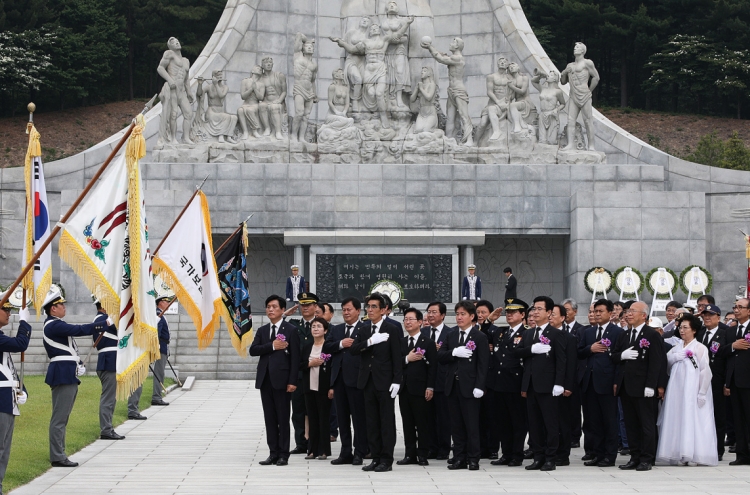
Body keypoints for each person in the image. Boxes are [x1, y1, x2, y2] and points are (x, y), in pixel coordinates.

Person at [43, 285, 107, 467]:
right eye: (61, 305)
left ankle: (60, 452)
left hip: (66, 371)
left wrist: (76, 363)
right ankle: (57, 455)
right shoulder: (54, 324)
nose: (64, 307)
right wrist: (105, 323)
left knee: (63, 416)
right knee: (59, 417)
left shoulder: (56, 324)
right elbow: (79, 330)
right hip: (62, 372)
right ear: (53, 308)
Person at [656, 314, 718, 466]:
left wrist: (702, 392)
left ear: (694, 330)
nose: (682, 331)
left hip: (693, 389)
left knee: (693, 418)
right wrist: (675, 357)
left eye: (685, 328)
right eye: (680, 327)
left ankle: (693, 454)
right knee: (678, 417)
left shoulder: (699, 348)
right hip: (677, 389)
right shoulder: (676, 348)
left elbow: (705, 371)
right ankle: (677, 451)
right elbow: (666, 365)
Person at [350, 293, 402, 472]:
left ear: (383, 309)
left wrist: (397, 380)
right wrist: (370, 341)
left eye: (373, 307)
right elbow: (354, 350)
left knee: (386, 422)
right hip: (367, 381)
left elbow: (397, 356)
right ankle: (375, 456)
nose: (370, 310)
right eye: (368, 306)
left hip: (385, 382)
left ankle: (386, 459)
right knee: (371, 422)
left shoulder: (392, 328)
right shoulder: (364, 329)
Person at [612, 301, 666, 471]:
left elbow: (657, 362)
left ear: (644, 315)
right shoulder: (624, 335)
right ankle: (634, 456)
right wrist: (622, 355)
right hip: (626, 386)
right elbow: (613, 356)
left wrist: (652, 385)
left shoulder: (651, 335)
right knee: (631, 424)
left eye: (632, 311)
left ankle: (647, 458)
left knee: (646, 424)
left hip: (643, 387)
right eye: (627, 311)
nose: (628, 314)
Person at [516, 296, 566, 471]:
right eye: (533, 309)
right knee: (534, 424)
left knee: (550, 424)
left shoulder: (556, 334)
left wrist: (559, 383)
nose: (534, 312)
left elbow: (562, 361)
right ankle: (538, 456)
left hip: (549, 386)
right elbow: (518, 352)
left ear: (549, 312)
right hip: (531, 386)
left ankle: (551, 458)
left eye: (539, 309)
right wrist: (531, 350)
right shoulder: (529, 333)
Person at [249, 295, 300, 466]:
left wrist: (293, 381)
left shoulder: (291, 330)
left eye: (274, 307)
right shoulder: (263, 330)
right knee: (270, 419)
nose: (270, 309)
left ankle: (284, 454)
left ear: (282, 310)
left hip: (283, 381)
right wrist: (272, 345)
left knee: (283, 418)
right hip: (265, 380)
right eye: (268, 307)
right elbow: (253, 350)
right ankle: (273, 453)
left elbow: (295, 358)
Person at [438, 301, 489, 470]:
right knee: (457, 425)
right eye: (457, 314)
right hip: (453, 386)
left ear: (472, 316)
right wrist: (453, 352)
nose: (459, 317)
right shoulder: (451, 335)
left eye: (463, 314)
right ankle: (459, 457)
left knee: (471, 425)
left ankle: (473, 457)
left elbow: (483, 364)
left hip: (470, 386)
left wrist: (480, 386)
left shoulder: (480, 337)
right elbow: (441, 355)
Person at [578, 299, 624, 466]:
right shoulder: (588, 332)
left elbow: (620, 360)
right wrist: (590, 349)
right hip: (589, 382)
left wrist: (616, 382)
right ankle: (597, 454)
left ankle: (609, 456)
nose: (597, 314)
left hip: (607, 382)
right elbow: (579, 352)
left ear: (611, 313)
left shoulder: (618, 332)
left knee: (609, 421)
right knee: (593, 421)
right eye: (595, 311)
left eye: (600, 311)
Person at [324, 297, 369, 465]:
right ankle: (345, 452)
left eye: (349, 309)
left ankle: (359, 452)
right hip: (339, 379)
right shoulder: (336, 330)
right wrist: (341, 344)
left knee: (359, 418)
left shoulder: (365, 329)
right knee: (342, 419)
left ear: (358, 311)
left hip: (357, 379)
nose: (346, 312)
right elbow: (326, 347)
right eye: (343, 309)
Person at [489, 299, 529, 466]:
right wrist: (490, 320)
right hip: (500, 384)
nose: (510, 315)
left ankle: (517, 455)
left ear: (522, 315)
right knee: (502, 422)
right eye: (508, 312)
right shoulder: (501, 333)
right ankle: (506, 454)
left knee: (517, 422)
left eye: (514, 312)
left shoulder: (527, 333)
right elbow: (480, 332)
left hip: (515, 384)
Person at [0, 291, 31, 493]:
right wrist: (24, 323)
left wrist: (21, 388)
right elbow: (21, 344)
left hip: (7, 400)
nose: (9, 313)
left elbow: (9, 367)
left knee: (4, 451)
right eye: (5, 310)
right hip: (0, 401)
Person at [397, 308, 436, 466]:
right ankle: (409, 454)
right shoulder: (401, 342)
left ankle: (423, 454)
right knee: (407, 423)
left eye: (411, 319)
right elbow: (395, 364)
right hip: (404, 388)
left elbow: (433, 367)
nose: (407, 322)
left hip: (421, 389)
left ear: (420, 322)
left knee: (422, 422)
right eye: (405, 319)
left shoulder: (428, 342)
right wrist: (407, 358)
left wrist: (430, 387)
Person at [421, 37, 474, 146]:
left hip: (459, 90)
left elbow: (440, 59)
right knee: (450, 117)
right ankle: (450, 140)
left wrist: (430, 47)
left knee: (464, 115)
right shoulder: (454, 57)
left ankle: (470, 140)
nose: (450, 44)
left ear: (457, 46)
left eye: (453, 42)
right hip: (451, 90)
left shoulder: (458, 58)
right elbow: (443, 56)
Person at [697, 304, 731, 460]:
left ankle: (718, 450)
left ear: (718, 317)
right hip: (700, 381)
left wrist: (727, 382)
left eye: (710, 315)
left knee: (718, 416)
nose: (707, 317)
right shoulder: (700, 333)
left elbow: (728, 359)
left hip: (717, 380)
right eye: (705, 315)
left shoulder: (725, 333)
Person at [287, 292, 318, 454]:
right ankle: (301, 443)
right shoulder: (293, 326)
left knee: (315, 410)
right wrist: (285, 314)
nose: (305, 308)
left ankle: (315, 442)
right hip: (298, 375)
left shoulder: (322, 326)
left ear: (315, 307)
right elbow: (279, 328)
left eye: (308, 305)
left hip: (316, 375)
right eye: (302, 305)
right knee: (298, 410)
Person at [423, 301, 453, 459]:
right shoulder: (423, 332)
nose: (431, 315)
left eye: (434, 312)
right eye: (429, 312)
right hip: (426, 379)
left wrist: (441, 350)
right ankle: (431, 447)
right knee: (428, 417)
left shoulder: (451, 333)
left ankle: (444, 448)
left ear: (442, 315)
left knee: (443, 417)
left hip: (443, 379)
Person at [301, 317, 333, 460]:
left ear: (325, 330)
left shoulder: (329, 346)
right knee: (312, 418)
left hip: (324, 388)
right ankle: (312, 450)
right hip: (309, 387)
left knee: (323, 418)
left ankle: (324, 450)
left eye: (319, 326)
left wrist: (332, 387)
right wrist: (310, 363)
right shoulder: (307, 347)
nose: (315, 329)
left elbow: (333, 368)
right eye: (313, 326)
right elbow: (300, 365)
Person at [92, 298, 125, 440]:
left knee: (111, 398)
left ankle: (108, 427)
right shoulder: (103, 319)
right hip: (108, 362)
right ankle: (106, 429)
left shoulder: (106, 319)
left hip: (111, 361)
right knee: (108, 398)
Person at [559, 42, 600, 152]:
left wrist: (589, 91)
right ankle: (570, 144)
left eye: (577, 47)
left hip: (584, 93)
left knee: (588, 120)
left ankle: (591, 145)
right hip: (573, 95)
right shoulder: (570, 66)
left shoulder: (587, 63)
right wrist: (563, 73)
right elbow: (563, 82)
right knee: (570, 120)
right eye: (574, 47)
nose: (574, 49)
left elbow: (596, 78)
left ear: (582, 51)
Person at [157, 37, 194, 144]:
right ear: (170, 46)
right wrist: (169, 80)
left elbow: (186, 78)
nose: (177, 42)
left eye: (178, 41)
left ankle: (186, 138)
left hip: (181, 91)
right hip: (172, 89)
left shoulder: (186, 60)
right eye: (173, 42)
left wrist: (189, 92)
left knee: (188, 113)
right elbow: (160, 68)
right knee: (173, 114)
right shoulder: (169, 54)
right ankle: (172, 138)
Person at [726, 297, 750, 465]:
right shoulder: (731, 331)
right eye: (735, 307)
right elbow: (722, 352)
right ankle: (741, 454)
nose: (736, 310)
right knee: (738, 420)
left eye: (741, 307)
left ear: (749, 311)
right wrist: (734, 346)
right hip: (734, 382)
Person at [476, 300, 499, 459]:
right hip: (476, 379)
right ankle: (481, 446)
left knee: (492, 416)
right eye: (478, 312)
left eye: (483, 312)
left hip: (491, 379)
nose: (480, 315)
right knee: (478, 417)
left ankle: (492, 448)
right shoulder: (471, 331)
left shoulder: (496, 330)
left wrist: (488, 323)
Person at [196, 70, 238, 143]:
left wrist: (216, 85)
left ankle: (229, 136)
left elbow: (221, 95)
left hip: (220, 110)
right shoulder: (208, 87)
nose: (220, 77)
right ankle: (221, 135)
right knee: (226, 117)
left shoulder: (225, 87)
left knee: (234, 117)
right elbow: (199, 94)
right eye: (218, 76)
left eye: (221, 75)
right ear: (213, 77)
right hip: (211, 111)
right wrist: (200, 84)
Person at [291, 33, 319, 143]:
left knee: (306, 115)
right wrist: (308, 40)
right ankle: (293, 135)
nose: (310, 48)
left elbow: (313, 80)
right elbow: (298, 35)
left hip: (309, 90)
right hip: (299, 87)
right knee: (299, 112)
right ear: (303, 48)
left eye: (311, 47)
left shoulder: (314, 64)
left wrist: (315, 93)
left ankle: (301, 137)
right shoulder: (298, 56)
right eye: (307, 46)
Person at [259, 57, 287, 140]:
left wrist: (279, 100)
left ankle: (278, 132)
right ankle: (267, 128)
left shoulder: (279, 75)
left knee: (274, 107)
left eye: (270, 62)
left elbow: (284, 91)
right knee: (261, 106)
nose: (268, 64)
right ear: (262, 65)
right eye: (266, 63)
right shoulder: (260, 78)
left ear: (273, 64)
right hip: (266, 100)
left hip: (277, 100)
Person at [151, 296, 171, 406]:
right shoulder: (158, 314)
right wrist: (157, 347)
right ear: (160, 303)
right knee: (159, 373)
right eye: (166, 302)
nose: (168, 304)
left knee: (161, 373)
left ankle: (158, 395)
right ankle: (156, 397)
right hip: (160, 347)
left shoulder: (161, 314)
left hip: (164, 347)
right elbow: (157, 331)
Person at [238, 66, 265, 140]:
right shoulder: (245, 81)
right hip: (246, 103)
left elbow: (261, 98)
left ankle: (255, 130)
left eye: (260, 69)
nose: (259, 69)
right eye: (257, 68)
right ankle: (245, 132)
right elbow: (243, 96)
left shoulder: (261, 84)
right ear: (252, 71)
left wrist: (255, 89)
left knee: (250, 110)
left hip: (254, 104)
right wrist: (251, 89)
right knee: (240, 110)